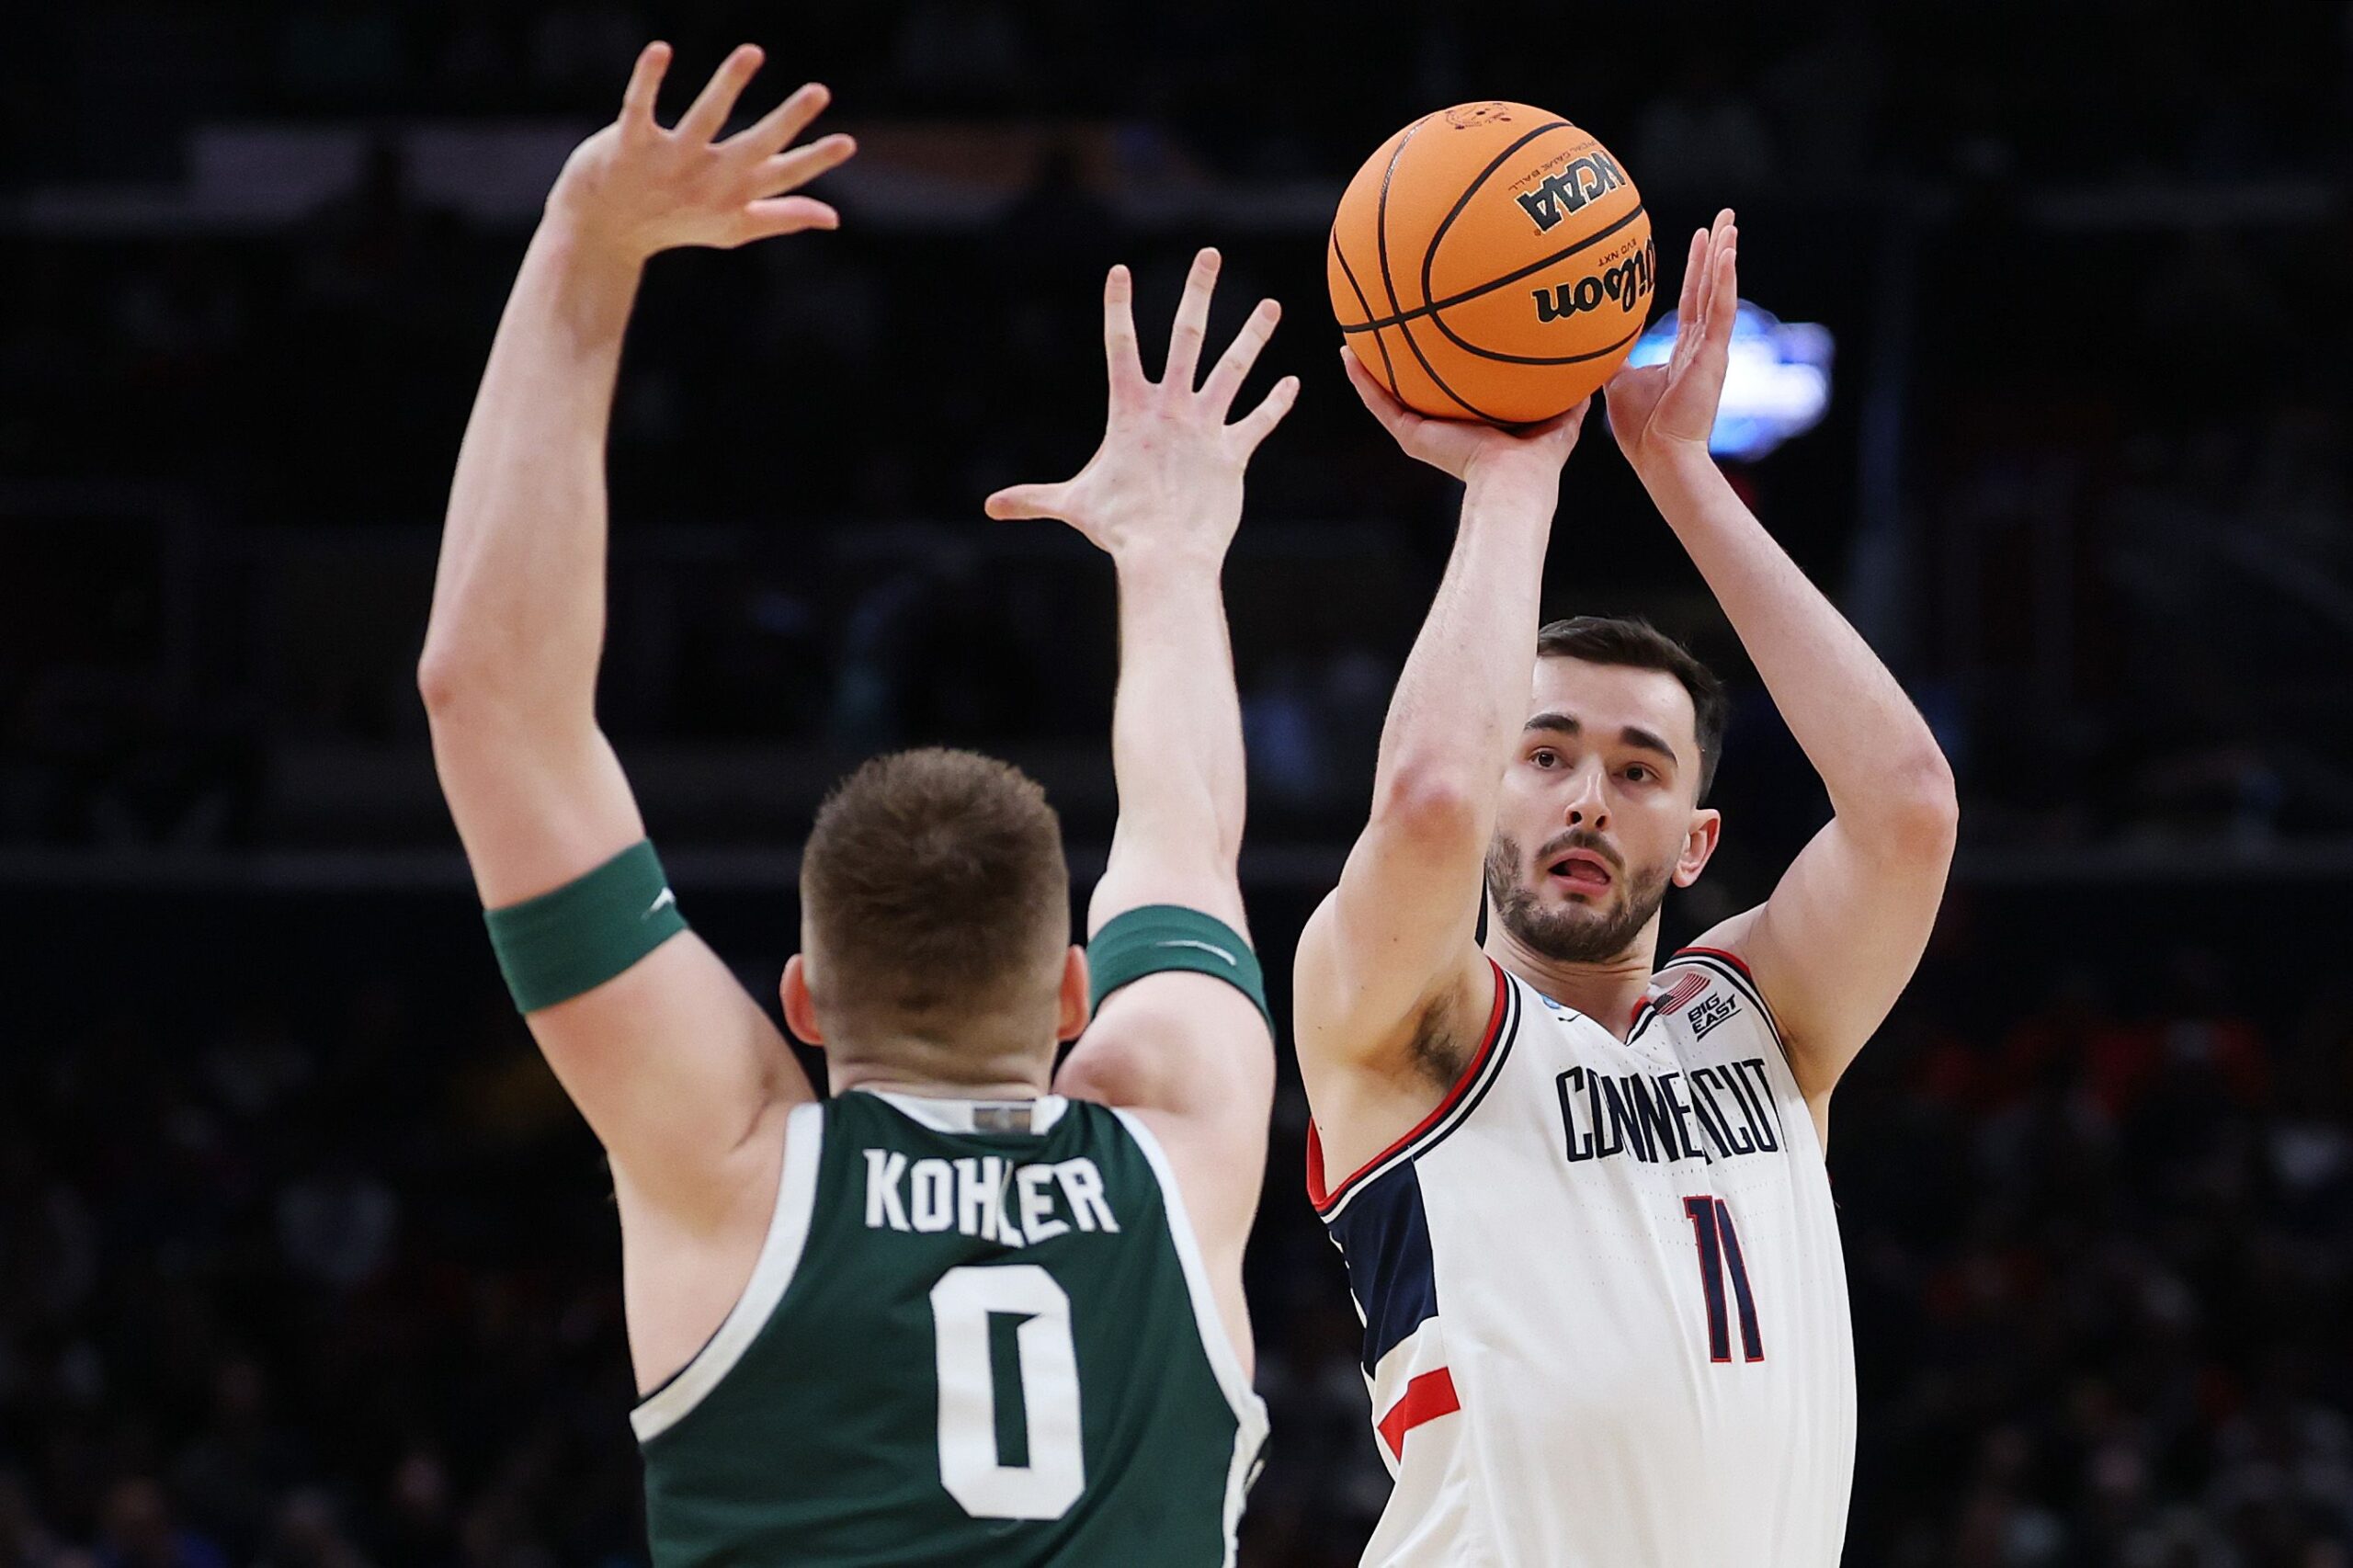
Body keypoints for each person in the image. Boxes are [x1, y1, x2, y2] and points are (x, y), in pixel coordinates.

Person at [417, 40, 1299, 1566]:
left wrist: (583, 247)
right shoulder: (1183, 1146)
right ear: (1078, 990)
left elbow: (489, 705)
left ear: (804, 996)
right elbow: (1185, 833)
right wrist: (1169, 555)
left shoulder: (731, 1164)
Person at [1294, 211, 1960, 1566]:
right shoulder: (1409, 1027)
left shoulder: (1758, 1020)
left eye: (1639, 767)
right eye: (1543, 753)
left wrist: (1682, 474)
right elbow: (1425, 801)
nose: (1589, 794)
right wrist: (1510, 483)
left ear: (1701, 840)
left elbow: (1907, 809)